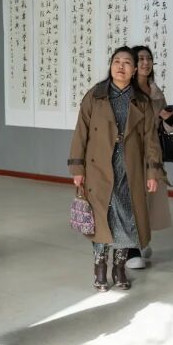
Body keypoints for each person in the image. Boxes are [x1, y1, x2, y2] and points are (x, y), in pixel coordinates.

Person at [68, 47, 163, 291]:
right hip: (98, 169)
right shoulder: (95, 95)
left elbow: (151, 140)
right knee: (102, 219)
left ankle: (119, 268)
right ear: (110, 66)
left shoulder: (141, 101)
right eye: (116, 61)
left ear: (134, 70)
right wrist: (77, 168)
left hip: (129, 171)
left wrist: (153, 172)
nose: (121, 66)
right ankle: (100, 268)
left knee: (127, 219)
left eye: (127, 62)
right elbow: (81, 133)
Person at [127, 45, 173, 269]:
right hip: (129, 153)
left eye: (149, 58)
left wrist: (169, 117)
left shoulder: (156, 92)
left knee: (148, 199)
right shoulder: (124, 91)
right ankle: (130, 250)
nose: (146, 62)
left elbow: (168, 127)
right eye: (140, 58)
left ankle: (141, 241)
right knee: (130, 199)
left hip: (152, 153)